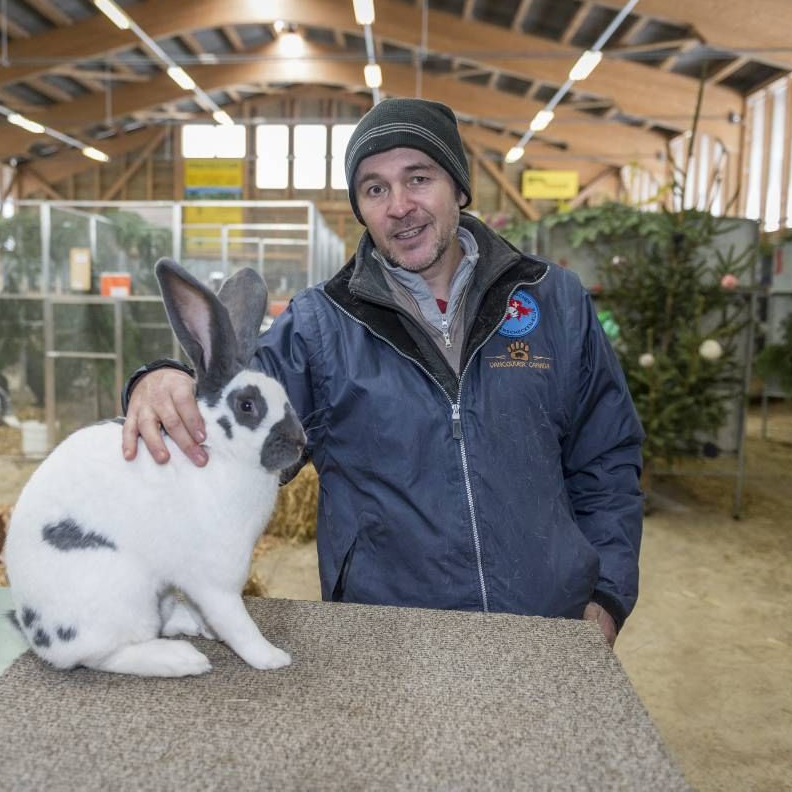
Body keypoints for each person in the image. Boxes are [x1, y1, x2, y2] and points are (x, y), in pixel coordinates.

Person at [120, 98, 644, 647]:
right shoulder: (321, 327)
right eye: (375, 189)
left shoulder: (552, 300)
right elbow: (226, 423)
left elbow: (606, 460)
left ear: (459, 190)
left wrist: (605, 599)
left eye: (418, 178)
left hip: (547, 628)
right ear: (361, 209)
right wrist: (158, 379)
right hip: (387, 642)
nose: (399, 206)